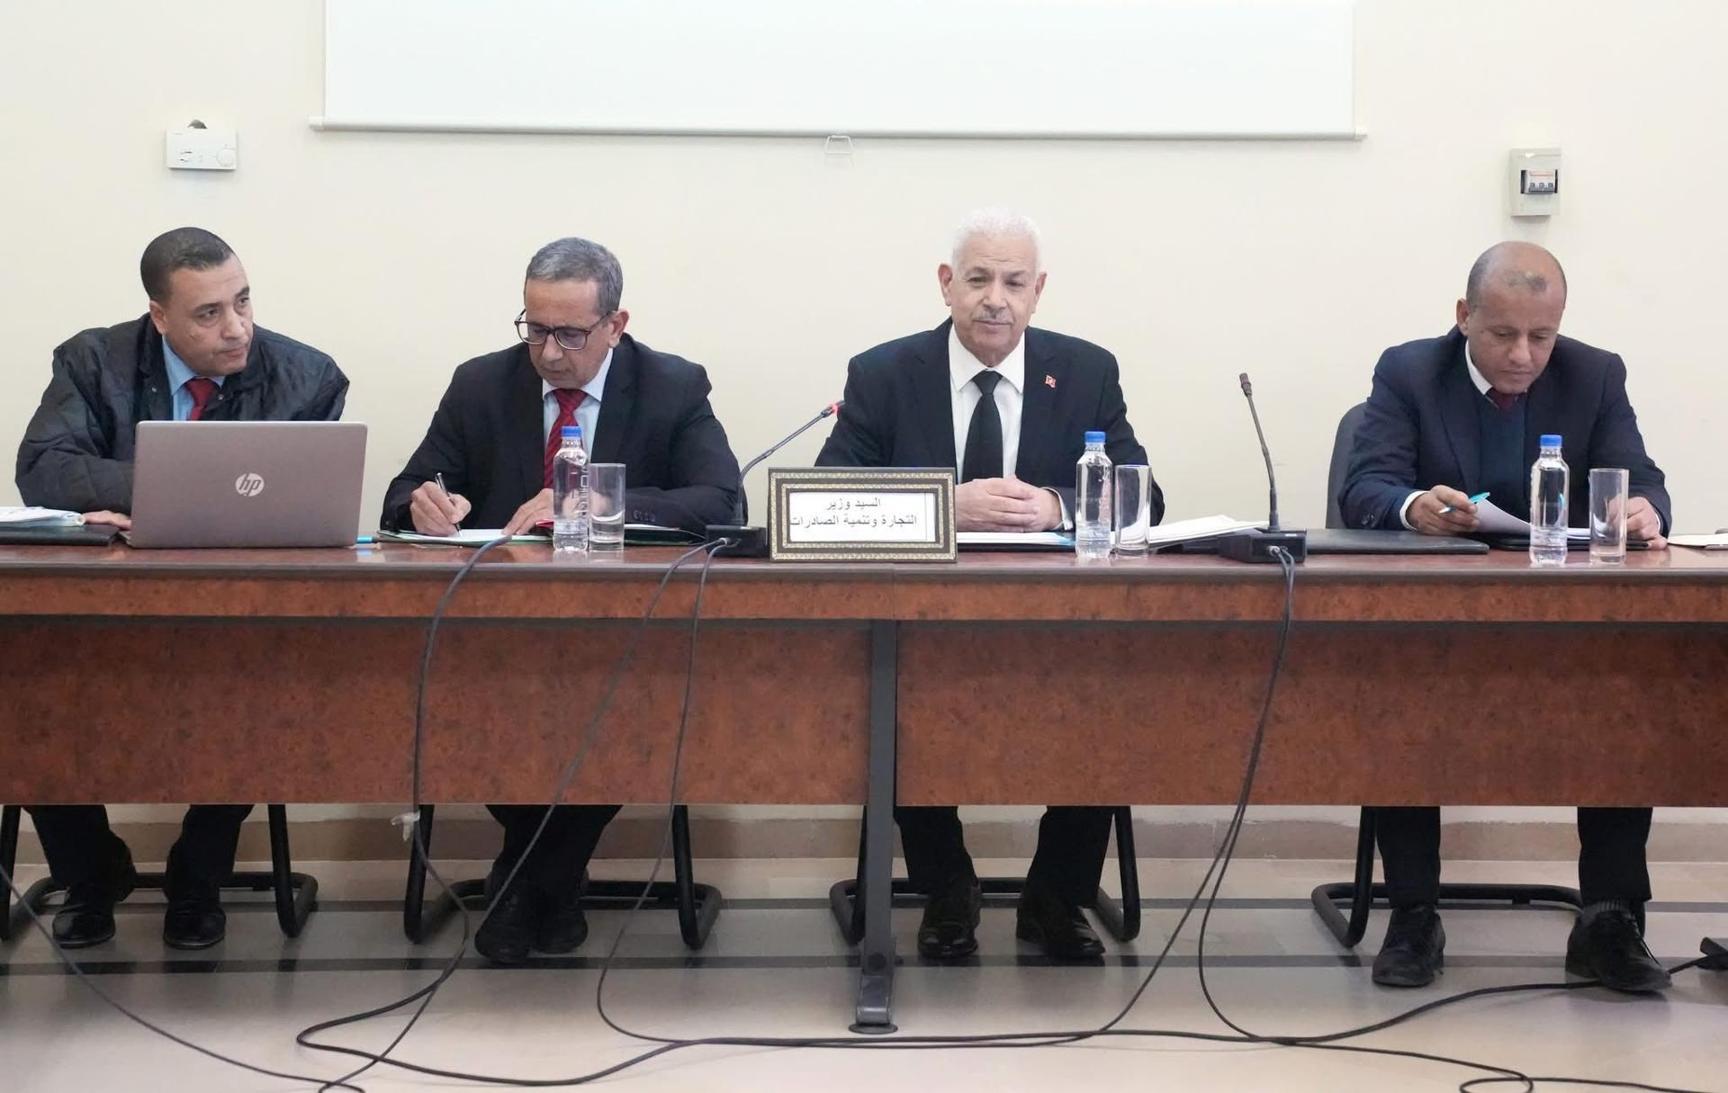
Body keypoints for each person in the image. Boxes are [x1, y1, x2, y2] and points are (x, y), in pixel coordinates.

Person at [381, 236, 741, 964]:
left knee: (616, 708)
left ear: (616, 324)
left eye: (569, 334)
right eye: (535, 328)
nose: (548, 352)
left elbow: (719, 500)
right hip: (498, 635)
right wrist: (423, 502)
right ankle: (552, 878)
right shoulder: (481, 384)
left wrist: (591, 499)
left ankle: (527, 877)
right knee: (475, 709)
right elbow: (403, 493)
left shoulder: (672, 385)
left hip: (626, 633)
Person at [817, 209, 1159, 961]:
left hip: (1058, 626)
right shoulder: (884, 373)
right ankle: (947, 888)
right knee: (897, 702)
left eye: (1013, 282)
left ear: (1038, 291)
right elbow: (825, 501)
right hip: (918, 623)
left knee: (1108, 699)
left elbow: (1145, 498)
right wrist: (943, 502)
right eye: (978, 280)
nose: (995, 299)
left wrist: (1059, 505)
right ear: (947, 284)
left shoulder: (1086, 371)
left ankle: (1055, 898)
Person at [1340, 240, 1671, 992]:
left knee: (1629, 691)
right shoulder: (1409, 371)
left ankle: (1610, 917)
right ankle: (1413, 912)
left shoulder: (1595, 374)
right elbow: (1365, 486)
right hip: (1433, 622)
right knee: (1396, 693)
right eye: (1503, 334)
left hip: (1568, 620)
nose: (1523, 355)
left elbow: (1643, 479)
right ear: (1464, 316)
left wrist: (1644, 508)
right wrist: (1411, 506)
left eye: (1541, 336)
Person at [14, 226, 349, 949]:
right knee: (27, 689)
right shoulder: (92, 360)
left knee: (258, 691)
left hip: (239, 611)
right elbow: (42, 468)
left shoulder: (308, 377)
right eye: (208, 314)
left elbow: (299, 500)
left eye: (243, 301)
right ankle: (91, 873)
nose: (237, 329)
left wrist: (139, 490)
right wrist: (170, 483)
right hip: (103, 607)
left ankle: (199, 875)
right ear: (159, 316)